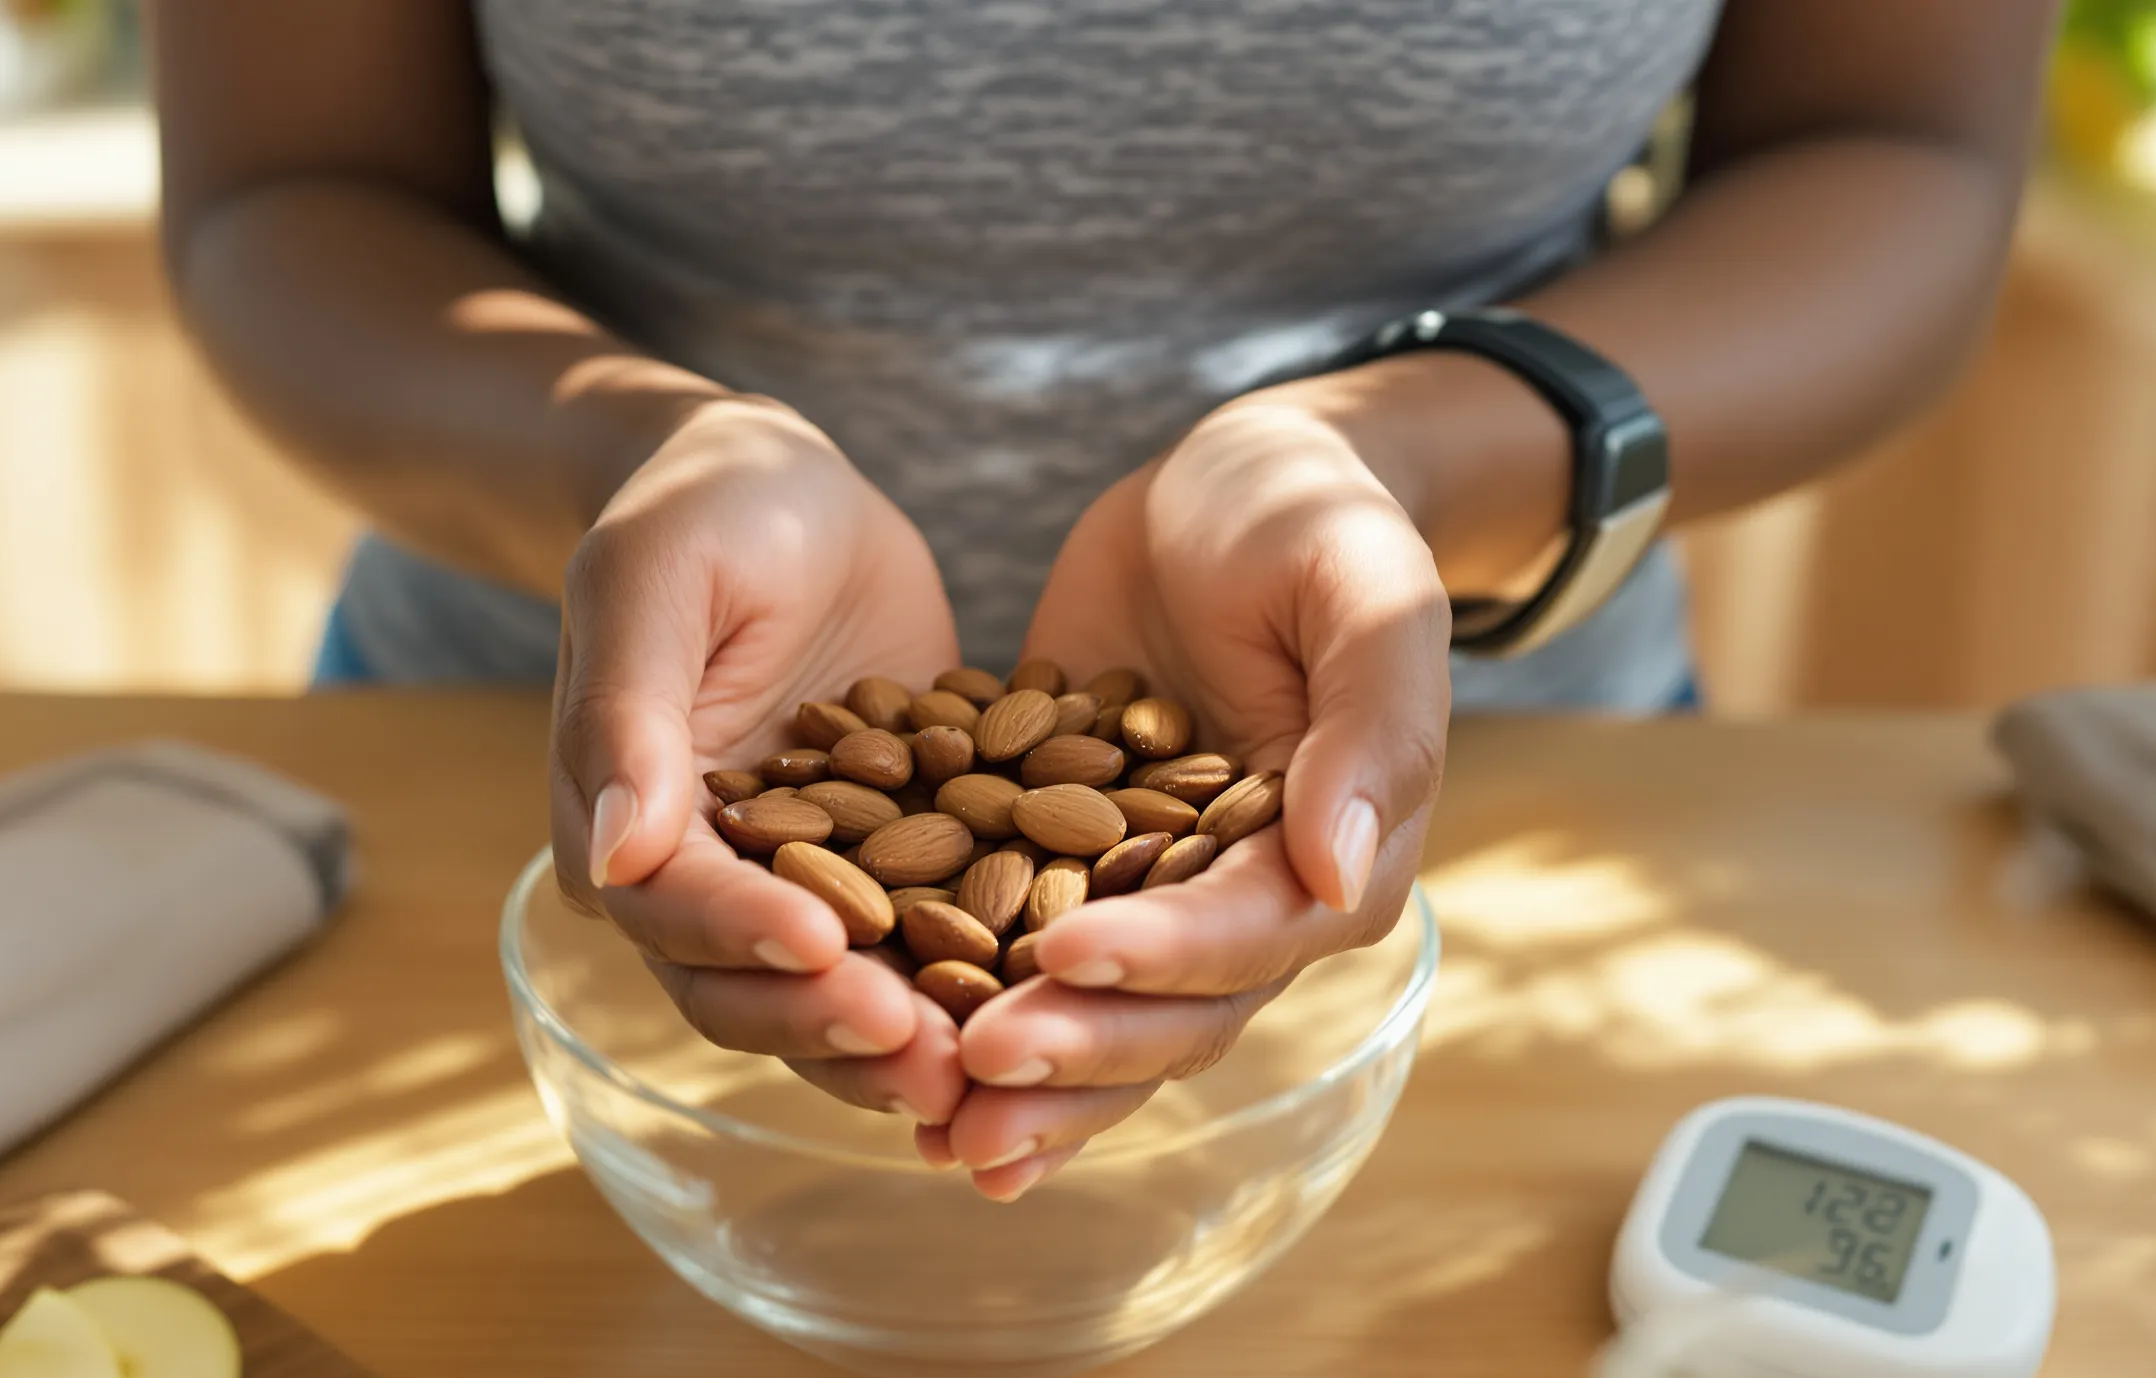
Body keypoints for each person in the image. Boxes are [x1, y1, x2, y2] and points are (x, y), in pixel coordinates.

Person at [151, 1, 2056, 1200]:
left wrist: (1416, 459)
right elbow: (289, 186)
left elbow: (1899, 153)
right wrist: (635, 457)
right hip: (542, 779)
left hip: (1509, 821)